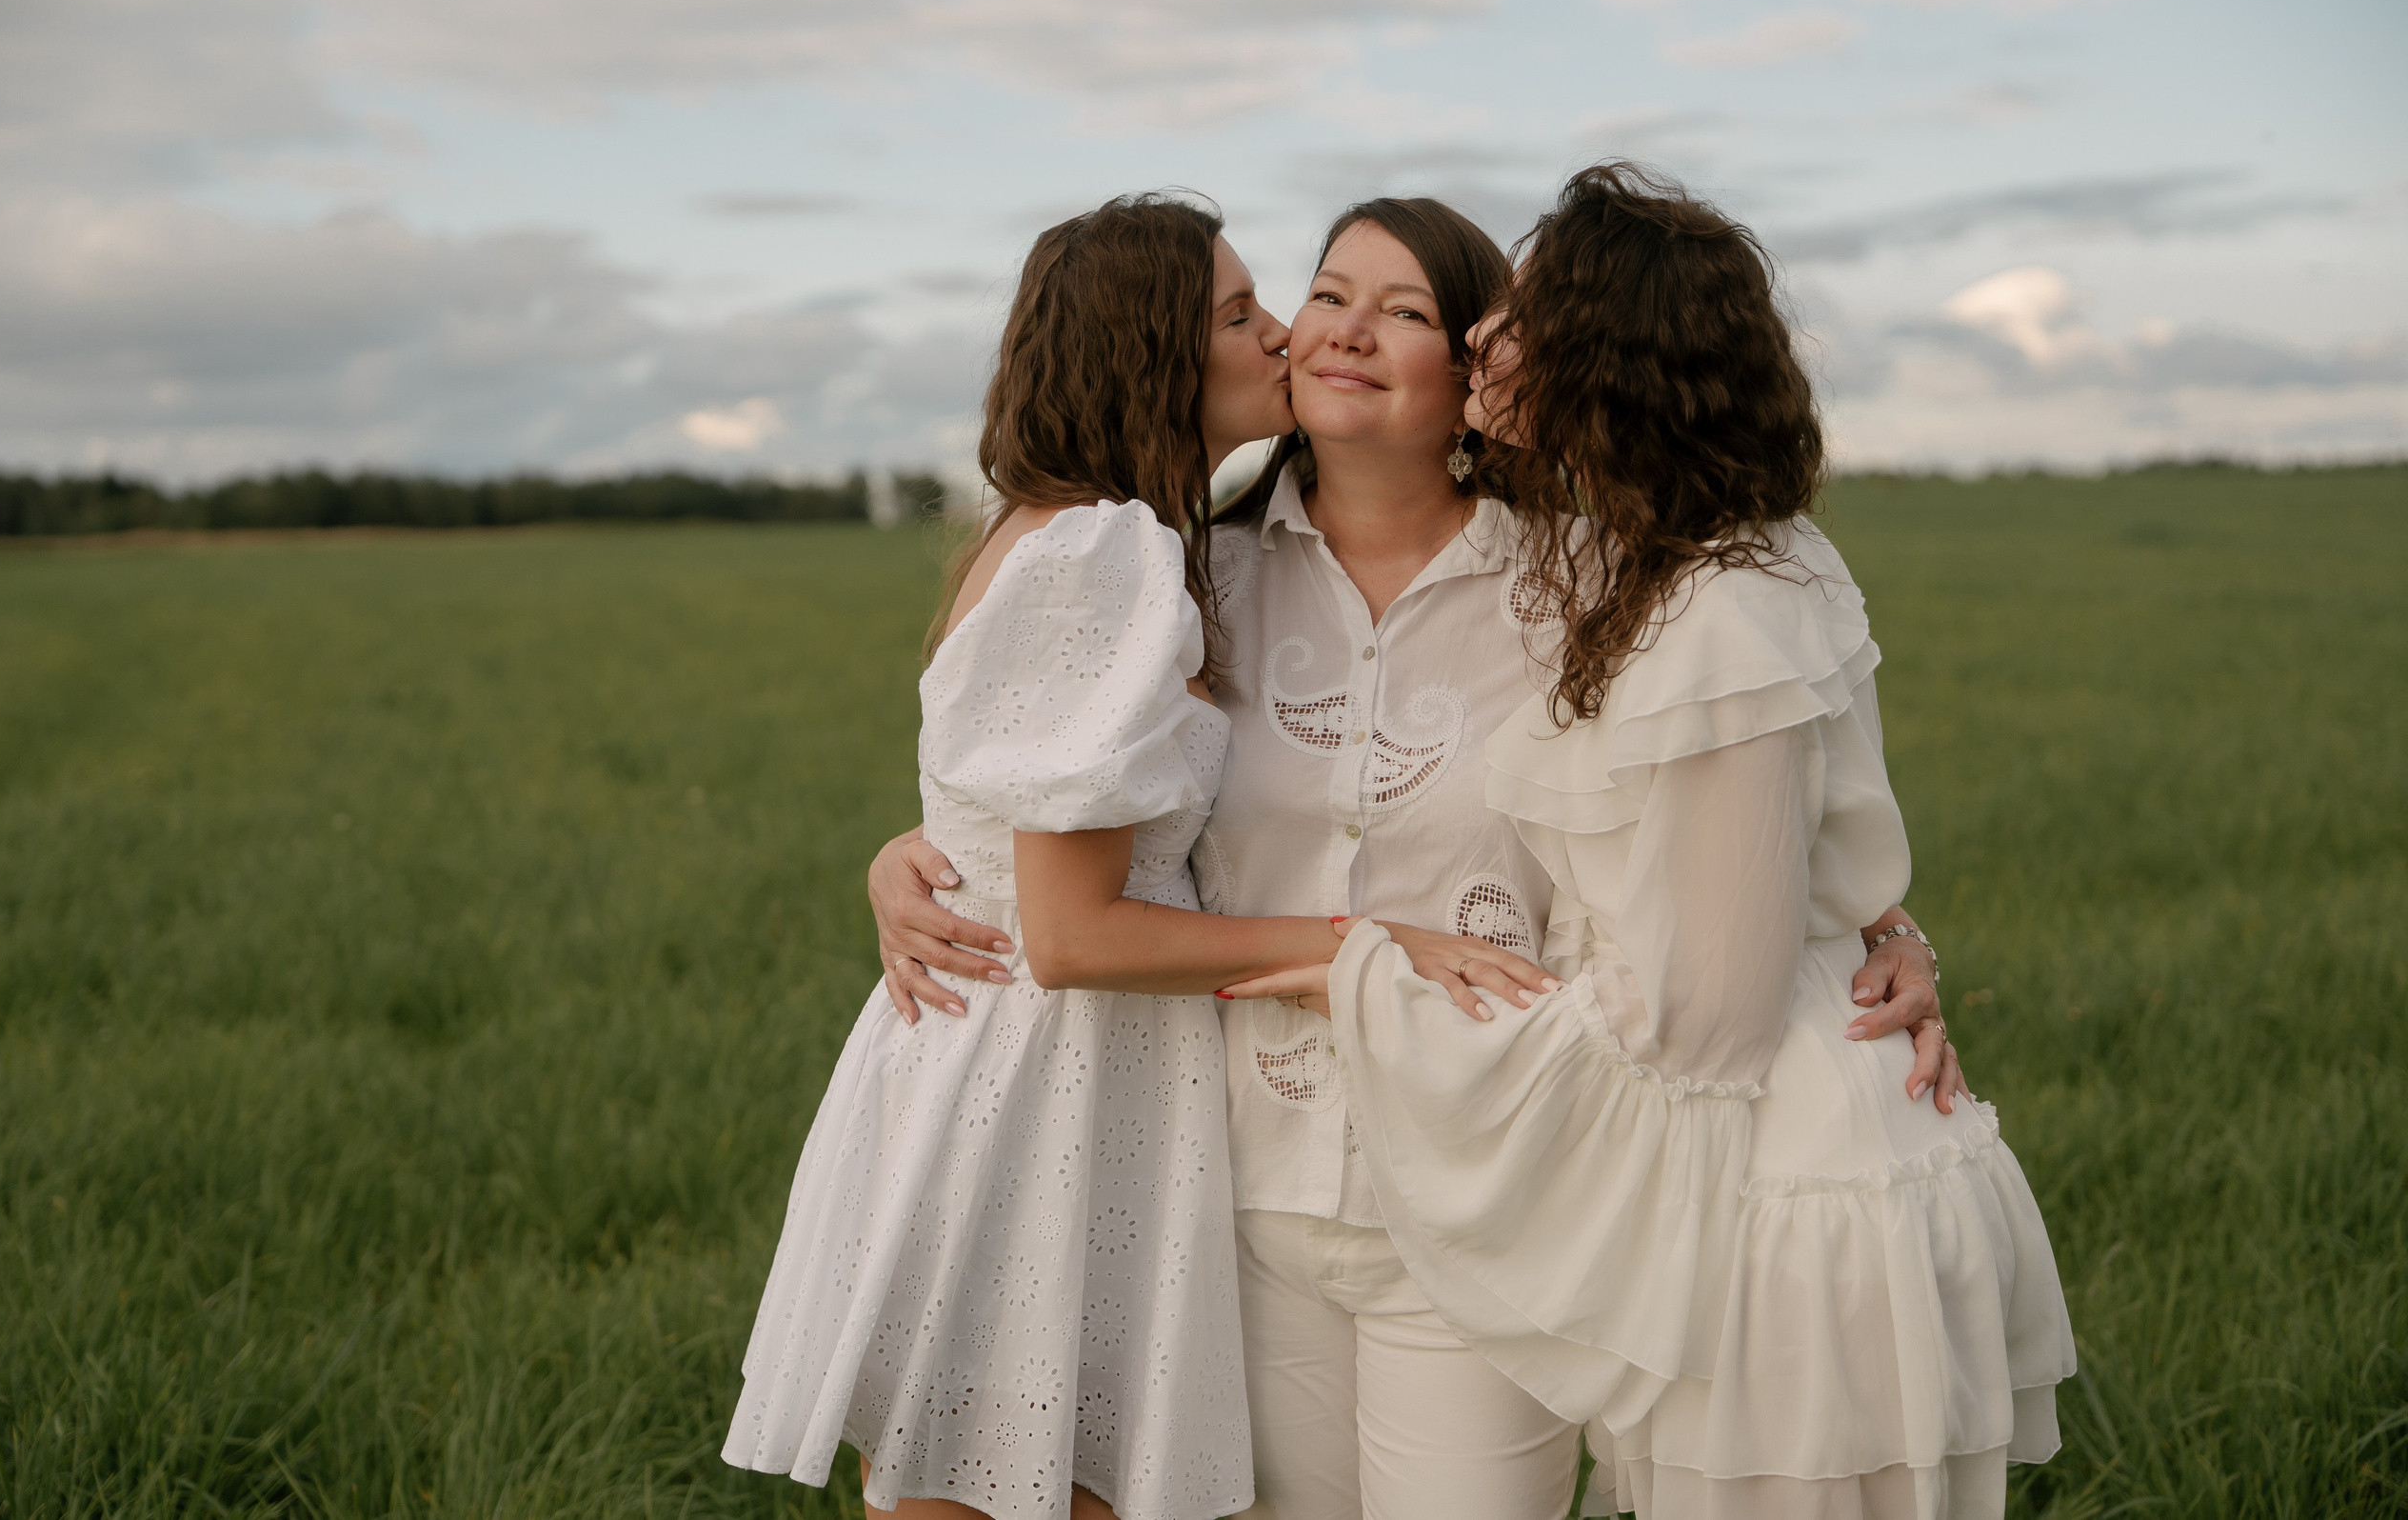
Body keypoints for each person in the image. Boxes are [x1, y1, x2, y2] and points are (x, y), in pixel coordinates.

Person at [869, 196, 1958, 1520]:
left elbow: (1743, 802)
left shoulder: (1596, 586)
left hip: (1494, 1196)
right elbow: (1073, 813)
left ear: (1479, 367)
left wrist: (1885, 937)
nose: (1344, 332)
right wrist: (913, 859)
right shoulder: (1181, 577)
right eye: (1327, 293)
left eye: (1407, 312)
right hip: (1235, 1195)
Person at [725, 191, 1547, 1520]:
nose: (1289, 332)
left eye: (1396, 308)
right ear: (1152, 359)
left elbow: (1036, 803)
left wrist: (1875, 929)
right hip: (1055, 1085)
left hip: (1107, 1084)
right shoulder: (1131, 556)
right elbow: (1068, 920)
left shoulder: (1107, 542)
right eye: (1253, 309)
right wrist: (1366, 947)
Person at [1307, 163, 2079, 1517]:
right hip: (1761, 1154)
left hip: (1788, 1189)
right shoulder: (1661, 566)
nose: (1489, 332)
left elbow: (1704, 1014)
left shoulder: (1725, 608)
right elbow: (1801, 857)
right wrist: (1886, 929)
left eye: (1524, 317)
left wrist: (1370, 985)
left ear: (1609, 359)